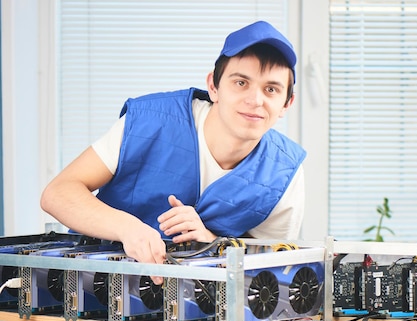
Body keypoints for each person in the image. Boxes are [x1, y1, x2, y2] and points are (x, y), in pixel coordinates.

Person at [40, 20, 305, 280]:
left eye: (271, 89)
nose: (255, 100)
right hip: (96, 296)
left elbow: (272, 275)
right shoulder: (148, 122)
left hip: (205, 316)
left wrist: (212, 244)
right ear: (213, 86)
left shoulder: (285, 173)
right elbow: (57, 194)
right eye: (241, 83)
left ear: (286, 104)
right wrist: (127, 228)